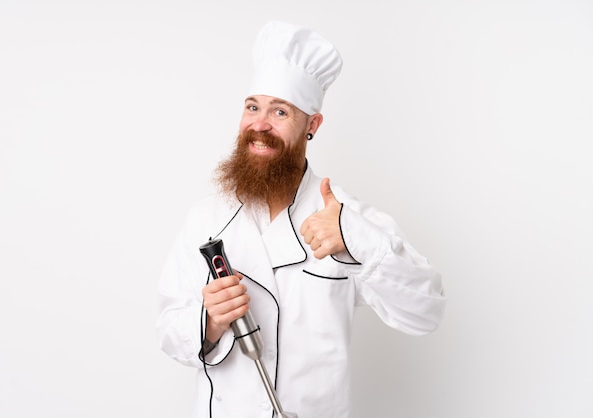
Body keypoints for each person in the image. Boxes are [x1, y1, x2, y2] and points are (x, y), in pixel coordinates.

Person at [156, 20, 447, 418]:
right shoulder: (207, 217)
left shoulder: (344, 216)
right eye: (252, 107)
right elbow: (168, 332)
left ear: (312, 125)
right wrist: (207, 323)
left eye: (280, 111)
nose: (260, 125)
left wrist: (356, 241)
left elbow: (426, 311)